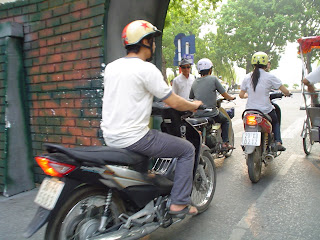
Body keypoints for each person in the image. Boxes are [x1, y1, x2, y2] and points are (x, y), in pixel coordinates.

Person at [101, 20, 202, 216]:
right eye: (153, 40)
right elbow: (175, 102)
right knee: (187, 149)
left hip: (110, 136)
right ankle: (179, 203)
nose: (154, 45)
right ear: (145, 42)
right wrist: (194, 105)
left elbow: (127, 98)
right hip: (135, 138)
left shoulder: (112, 68)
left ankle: (142, 191)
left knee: (149, 138)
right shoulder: (146, 69)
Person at [239, 51, 291, 151]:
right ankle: (278, 141)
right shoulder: (270, 77)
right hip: (265, 110)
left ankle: (247, 142)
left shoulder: (247, 77)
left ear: (253, 64)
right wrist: (288, 93)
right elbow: (285, 90)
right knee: (275, 121)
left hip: (249, 110)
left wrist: (248, 95)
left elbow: (241, 95)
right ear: (266, 64)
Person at [189, 58, 236, 149]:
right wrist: (231, 98)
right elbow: (224, 94)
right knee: (226, 120)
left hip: (197, 114)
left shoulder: (195, 82)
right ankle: (225, 143)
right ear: (210, 70)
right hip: (211, 113)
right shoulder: (213, 79)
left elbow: (191, 96)